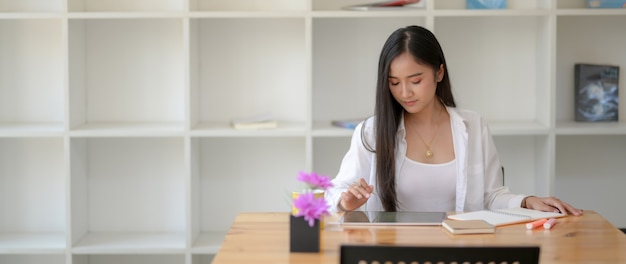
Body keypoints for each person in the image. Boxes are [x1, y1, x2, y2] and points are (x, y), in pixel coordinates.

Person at [325, 25, 583, 216]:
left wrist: (527, 201)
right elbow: (334, 191)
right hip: (392, 251)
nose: (404, 93)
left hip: (459, 250)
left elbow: (491, 196)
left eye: (415, 81)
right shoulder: (371, 132)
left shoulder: (472, 126)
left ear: (439, 72)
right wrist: (345, 201)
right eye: (394, 83)